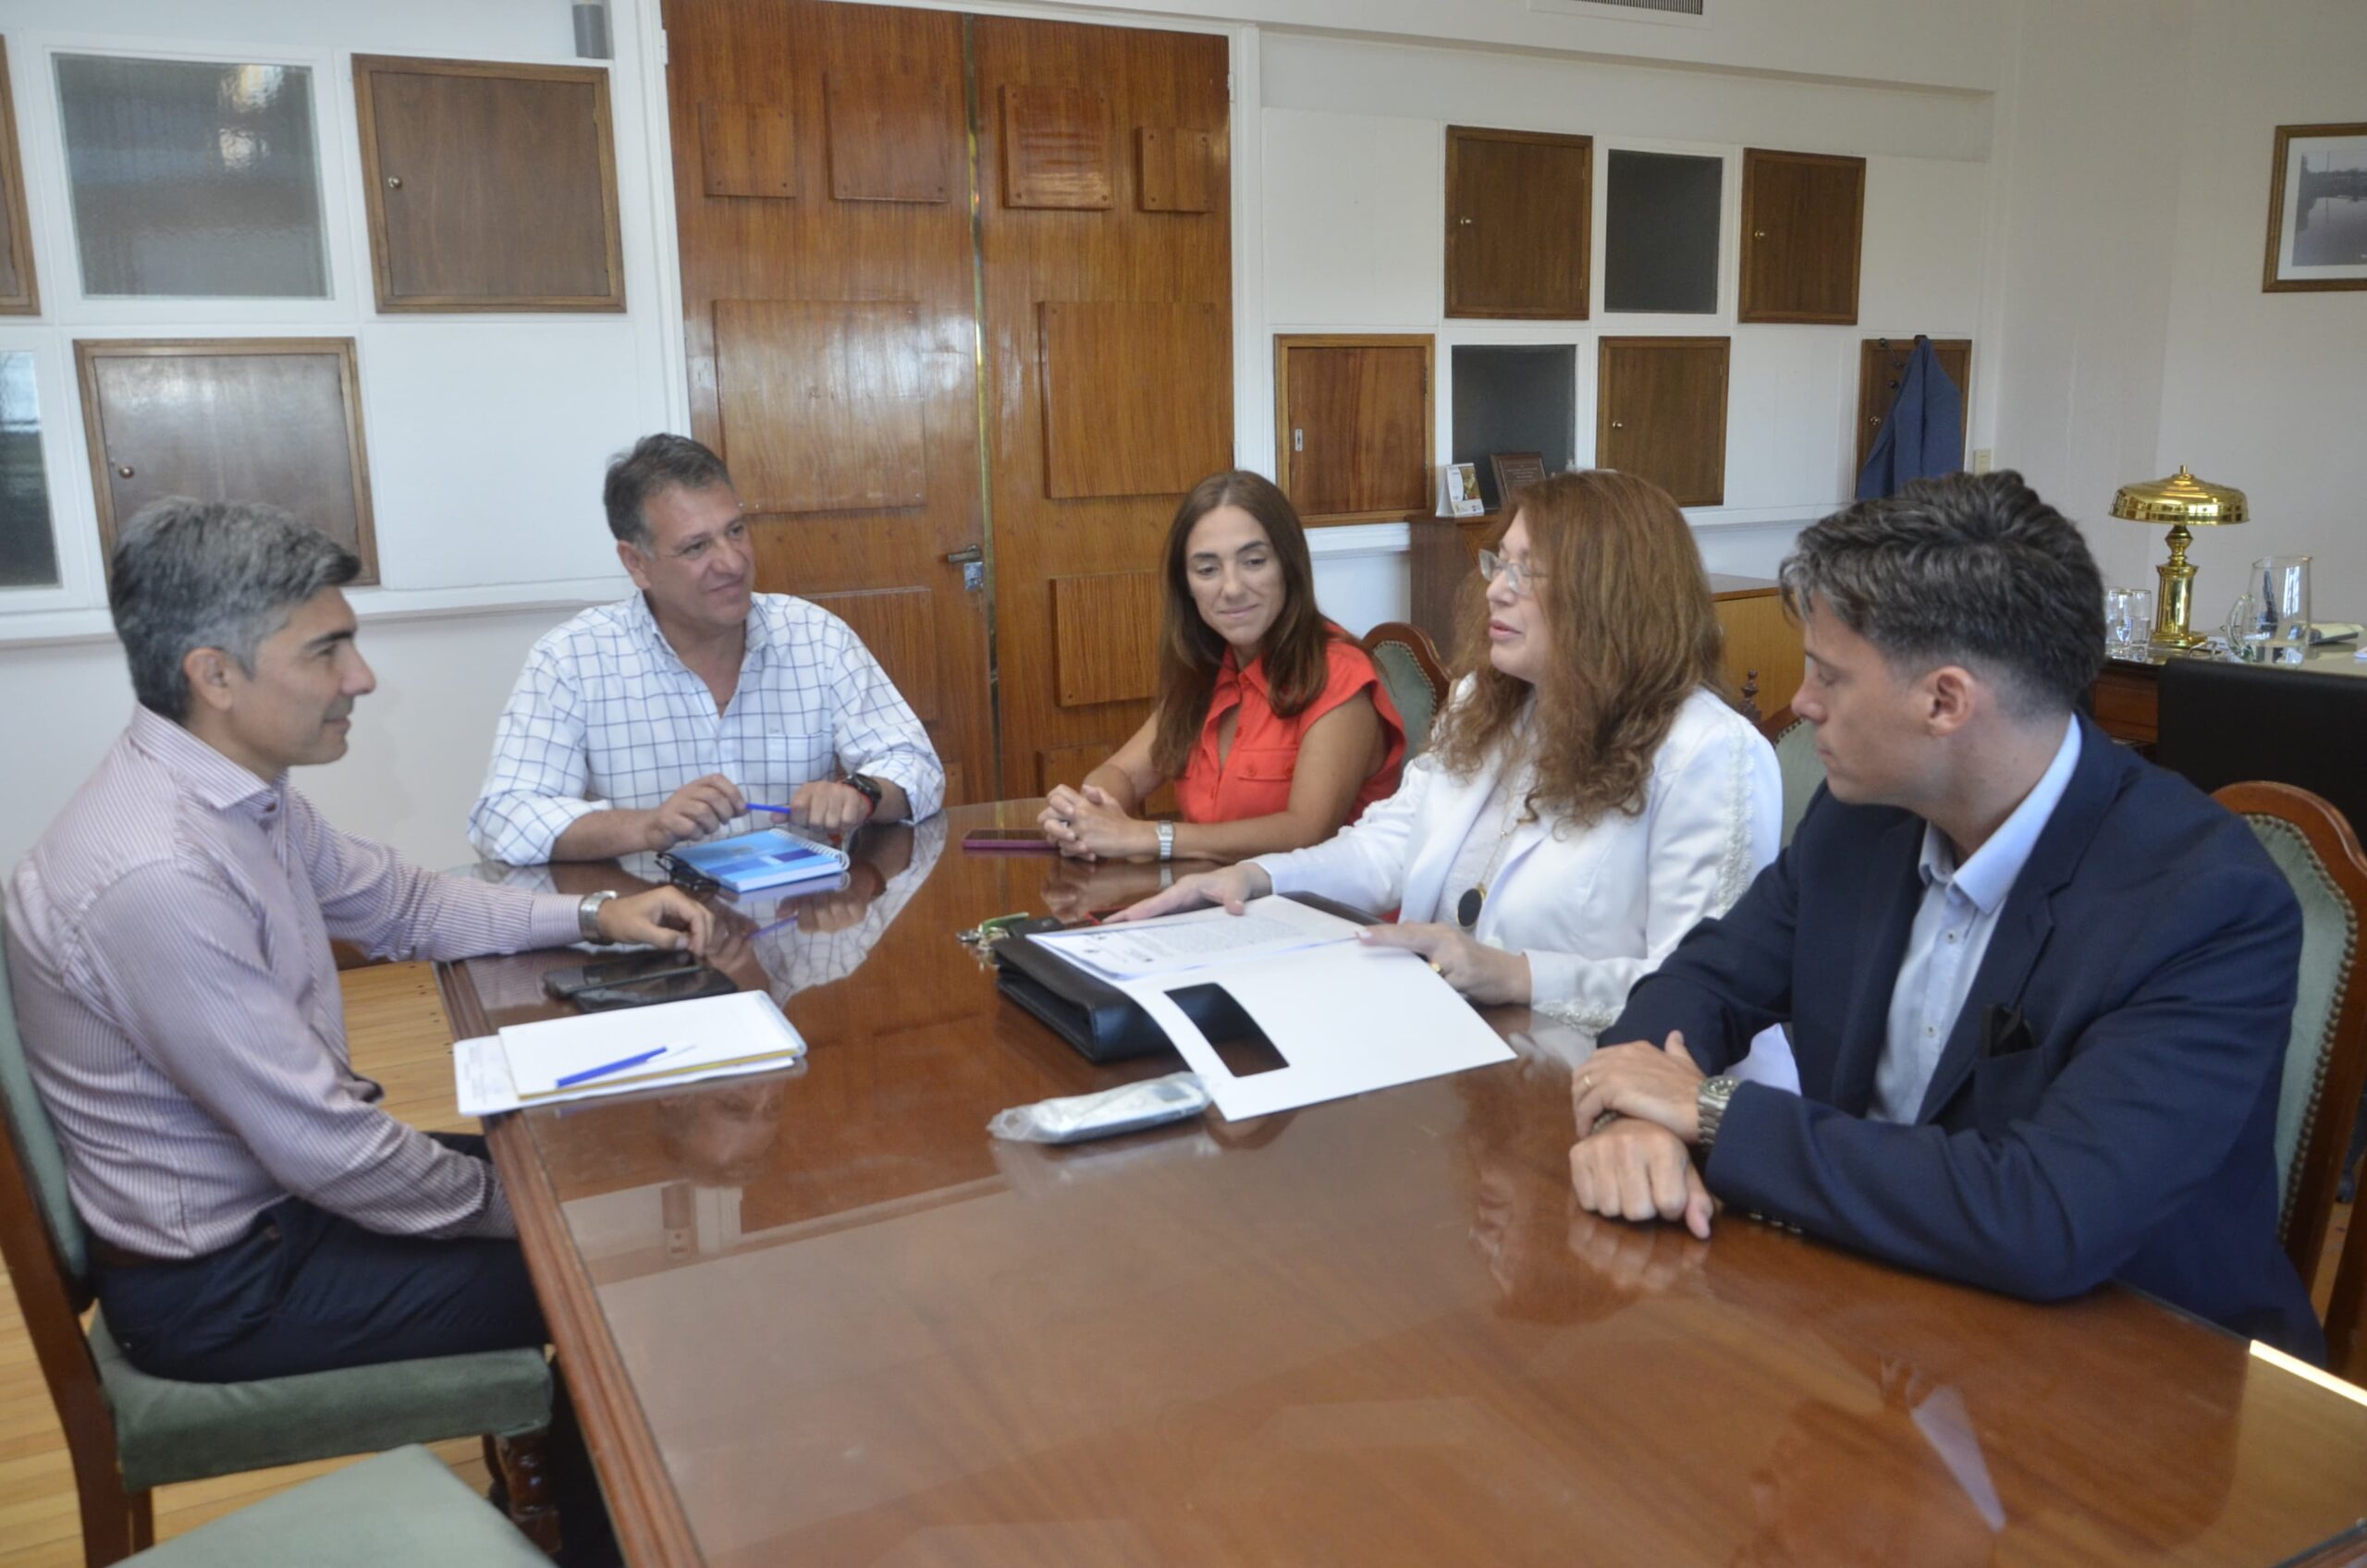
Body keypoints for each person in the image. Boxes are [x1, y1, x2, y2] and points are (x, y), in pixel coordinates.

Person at [5, 500, 713, 1562]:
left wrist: (590, 914)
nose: (362, 678)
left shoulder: (233, 796)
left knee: (596, 1189)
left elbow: (407, 905)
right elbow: (326, 1145)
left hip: (286, 1209)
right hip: (228, 1283)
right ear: (215, 674)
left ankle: (571, 1516)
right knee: (604, 1269)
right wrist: (527, 1214)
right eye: (328, 649)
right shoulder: (155, 870)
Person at [1567, 470, 2323, 1360]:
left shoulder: (2204, 903)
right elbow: (1702, 980)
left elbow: (2047, 1216)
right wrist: (1632, 1119)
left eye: (1828, 676)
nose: (1802, 706)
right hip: (1877, 1319)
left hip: (2130, 1372)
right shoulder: (1859, 821)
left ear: (1946, 702)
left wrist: (1712, 1112)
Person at [1120, 470, 1782, 1029]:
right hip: (1455, 1043)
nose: (1495, 587)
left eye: (1531, 572)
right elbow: (1388, 849)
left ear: (1612, 595)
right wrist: (1259, 878)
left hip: (1597, 1085)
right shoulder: (1487, 701)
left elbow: (1704, 996)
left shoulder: (1708, 753)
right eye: (1500, 563)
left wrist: (1519, 975)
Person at [469, 434, 944, 865]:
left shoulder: (815, 635)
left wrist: (863, 794)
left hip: (804, 925)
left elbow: (916, 766)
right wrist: (646, 826)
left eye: (736, 531)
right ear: (636, 563)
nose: (732, 563)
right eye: (697, 548)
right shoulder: (573, 659)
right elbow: (504, 818)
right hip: (652, 938)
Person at [1037, 470, 1404, 863]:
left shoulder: (1341, 673)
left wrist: (1148, 836)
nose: (1231, 588)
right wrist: (1090, 814)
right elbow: (1123, 774)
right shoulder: (1208, 668)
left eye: (1253, 561)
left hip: (1323, 915)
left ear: (1288, 565)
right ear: (1187, 586)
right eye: (1207, 569)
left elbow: (1305, 830)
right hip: (1214, 903)